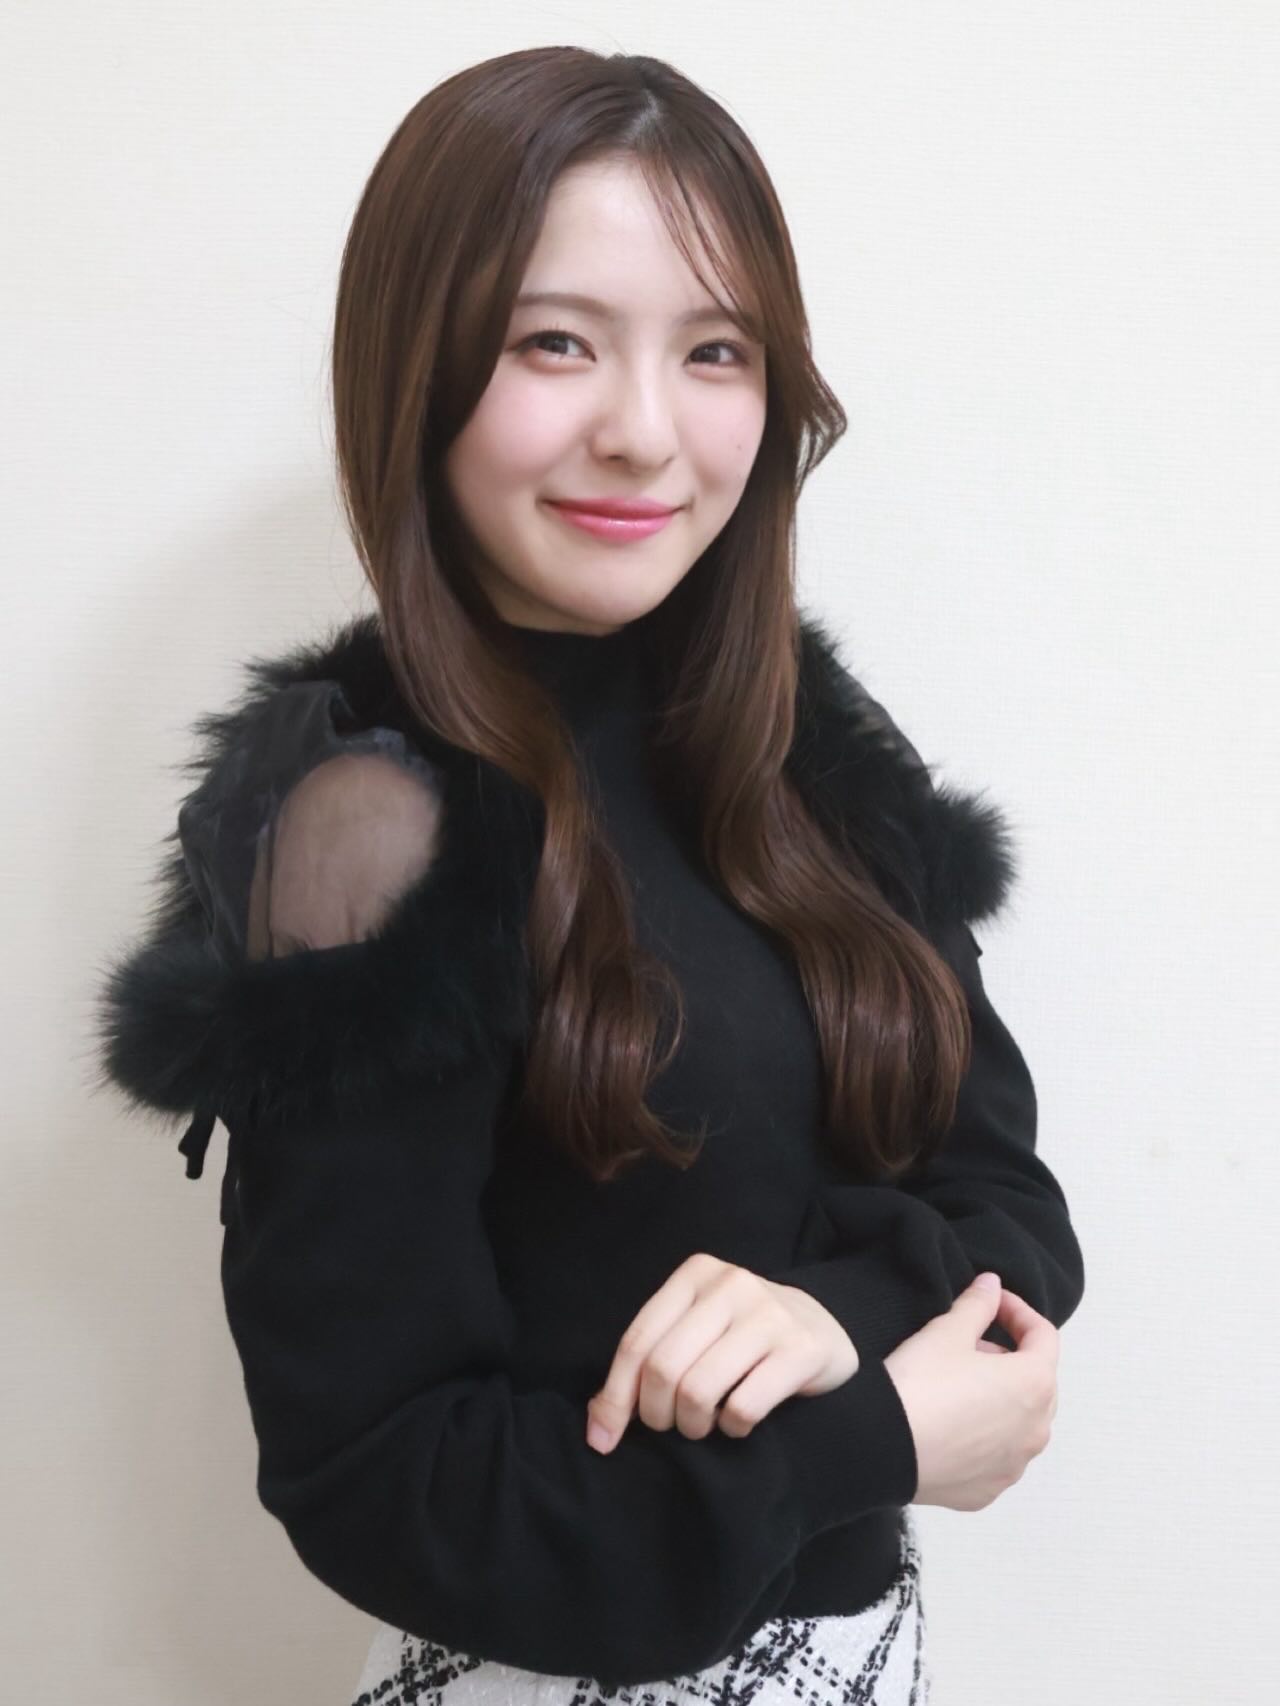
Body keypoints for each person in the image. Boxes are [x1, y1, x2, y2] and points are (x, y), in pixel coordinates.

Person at [91, 46, 1084, 1706]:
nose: (642, 432)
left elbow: (1006, 1205)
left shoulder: (815, 745)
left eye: (715, 351)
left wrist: (836, 1311)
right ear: (418, 366)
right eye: (554, 342)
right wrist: (874, 1429)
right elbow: (380, 1476)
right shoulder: (366, 816)